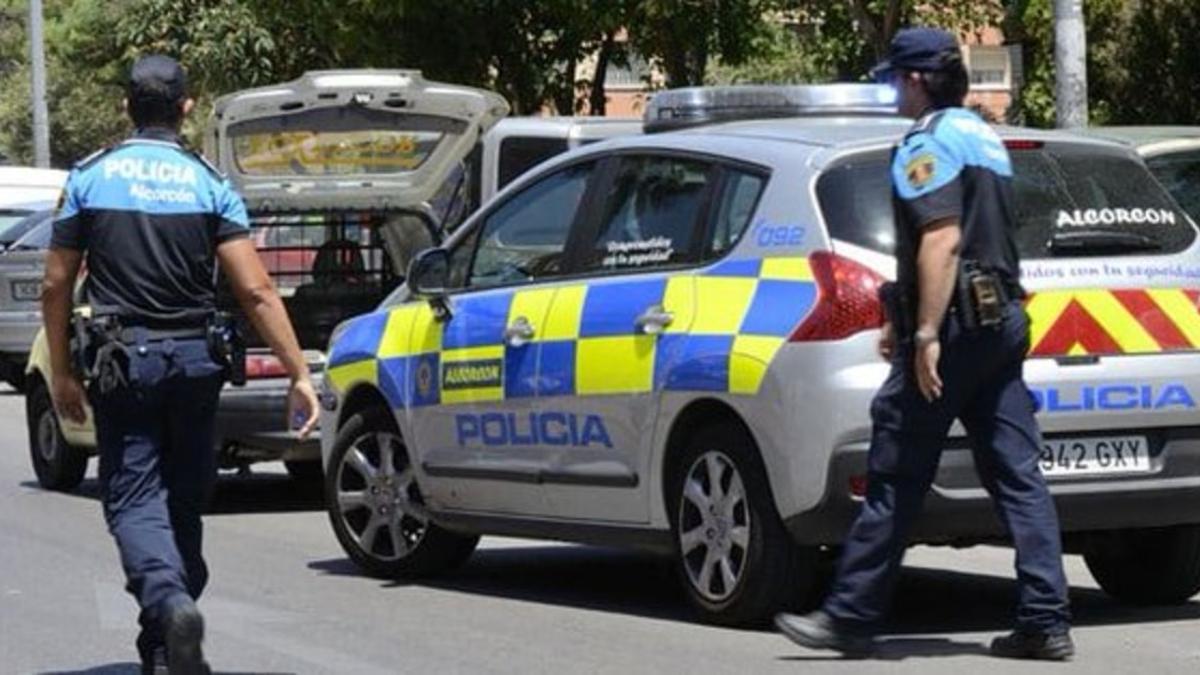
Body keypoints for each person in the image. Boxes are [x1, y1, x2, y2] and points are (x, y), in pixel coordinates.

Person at [774, 28, 1073, 660]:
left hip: (956, 326)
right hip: (998, 321)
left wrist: (926, 333)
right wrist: (895, 311)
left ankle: (849, 616)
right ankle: (1046, 621)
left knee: (895, 474)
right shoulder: (981, 136)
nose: (892, 92)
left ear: (913, 81)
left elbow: (939, 237)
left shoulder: (927, 144)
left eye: (894, 80)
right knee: (1019, 475)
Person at [42, 55, 319, 674]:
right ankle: (165, 645)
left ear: (126, 108)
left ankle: (168, 601)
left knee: (134, 497)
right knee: (184, 499)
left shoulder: (90, 177)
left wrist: (60, 370)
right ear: (187, 108)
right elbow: (256, 292)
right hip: (197, 360)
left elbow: (56, 285)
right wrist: (299, 372)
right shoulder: (208, 183)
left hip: (124, 365)